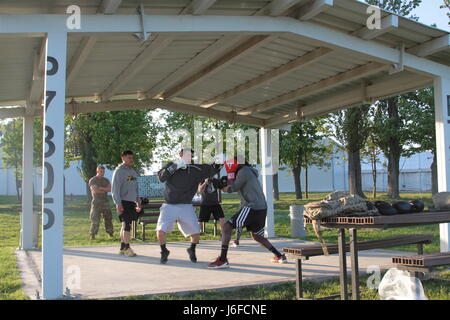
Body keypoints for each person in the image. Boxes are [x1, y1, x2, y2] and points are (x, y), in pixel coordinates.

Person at [208, 157, 287, 269]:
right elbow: (233, 185)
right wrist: (223, 183)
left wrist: (220, 185)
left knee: (226, 227)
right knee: (257, 236)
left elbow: (232, 188)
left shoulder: (244, 171)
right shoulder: (247, 171)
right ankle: (279, 256)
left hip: (252, 206)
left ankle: (222, 259)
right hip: (260, 207)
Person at [157, 148, 216, 264]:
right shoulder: (171, 165)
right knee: (160, 230)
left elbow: (212, 170)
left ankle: (192, 249)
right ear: (180, 155)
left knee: (196, 233)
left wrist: (220, 161)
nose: (188, 156)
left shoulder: (195, 168)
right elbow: (161, 177)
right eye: (186, 154)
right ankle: (164, 251)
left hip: (186, 205)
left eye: (190, 155)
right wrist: (177, 165)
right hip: (169, 205)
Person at [111, 150, 142, 257]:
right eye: (129, 157)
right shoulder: (119, 171)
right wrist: (118, 203)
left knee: (125, 225)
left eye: (132, 158)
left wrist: (138, 202)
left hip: (131, 202)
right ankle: (127, 248)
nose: (131, 160)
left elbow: (136, 188)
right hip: (123, 202)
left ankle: (122, 248)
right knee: (127, 225)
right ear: (122, 158)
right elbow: (115, 189)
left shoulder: (133, 172)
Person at [88, 165, 114, 240]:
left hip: (105, 201)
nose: (102, 173)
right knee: (95, 219)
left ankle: (110, 233)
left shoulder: (106, 180)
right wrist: (105, 189)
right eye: (101, 171)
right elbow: (95, 190)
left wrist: (101, 188)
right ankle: (93, 234)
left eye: (103, 171)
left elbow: (110, 189)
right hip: (96, 202)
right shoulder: (93, 180)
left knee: (108, 218)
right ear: (97, 171)